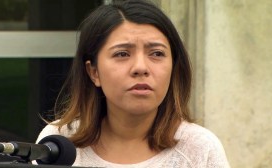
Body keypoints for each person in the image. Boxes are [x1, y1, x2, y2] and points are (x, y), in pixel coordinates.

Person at [36, 0, 230, 167]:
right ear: (93, 72)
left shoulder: (199, 148)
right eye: (122, 54)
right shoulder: (59, 142)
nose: (140, 67)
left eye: (156, 53)